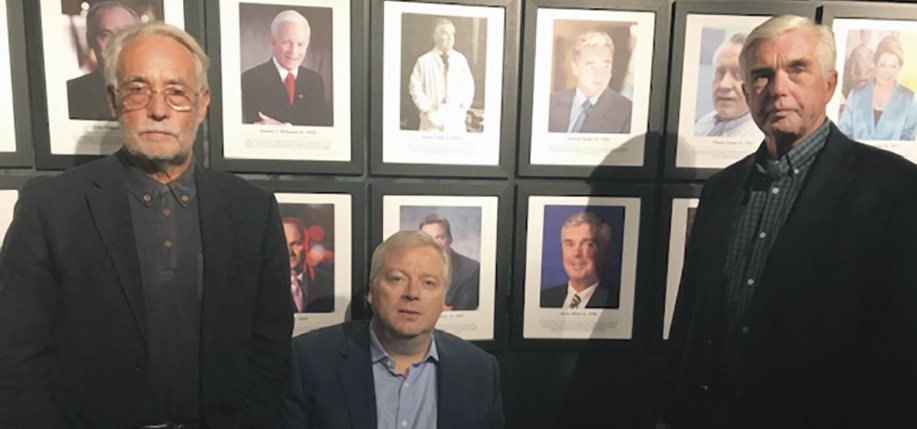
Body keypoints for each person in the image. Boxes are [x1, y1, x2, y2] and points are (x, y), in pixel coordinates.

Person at [0, 22, 293, 428]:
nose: (158, 109)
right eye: (138, 89)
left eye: (176, 91)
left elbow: (272, 346)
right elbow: (17, 355)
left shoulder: (251, 209)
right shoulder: (52, 207)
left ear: (203, 103)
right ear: (112, 100)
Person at [660, 15, 917, 429]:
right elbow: (691, 315)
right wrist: (670, 414)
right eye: (762, 75)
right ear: (747, 94)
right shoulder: (721, 190)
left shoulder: (895, 189)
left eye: (797, 69)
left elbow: (903, 346)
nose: (779, 88)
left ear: (830, 85)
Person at [279, 230, 504, 429]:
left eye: (428, 283)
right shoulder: (310, 360)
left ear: (443, 298)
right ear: (371, 291)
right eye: (397, 279)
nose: (412, 293)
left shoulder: (479, 371)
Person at [241, 10, 332, 126]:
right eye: (287, 43)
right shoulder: (251, 79)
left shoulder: (314, 80)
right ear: (273, 41)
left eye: (300, 44)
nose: (293, 51)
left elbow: (324, 125)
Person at [548, 31, 632, 134]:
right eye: (591, 66)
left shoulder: (626, 111)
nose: (599, 74)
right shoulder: (550, 103)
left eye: (605, 66)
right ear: (574, 68)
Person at [67, 1, 139, 121]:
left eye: (125, 35)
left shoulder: (157, 92)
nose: (115, 43)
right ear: (89, 40)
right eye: (106, 35)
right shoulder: (70, 95)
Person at [838, 35, 917, 141]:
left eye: (893, 66)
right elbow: (843, 134)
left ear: (899, 68)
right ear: (875, 65)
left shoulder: (910, 99)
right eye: (882, 65)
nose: (887, 72)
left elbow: (909, 141)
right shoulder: (856, 95)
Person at [540, 211, 620, 309]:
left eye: (587, 244)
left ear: (604, 252)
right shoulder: (543, 299)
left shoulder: (616, 301)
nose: (576, 253)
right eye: (569, 244)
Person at [408, 18, 475, 132]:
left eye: (452, 34)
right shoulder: (424, 61)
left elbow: (469, 86)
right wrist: (427, 108)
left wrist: (462, 108)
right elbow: (415, 88)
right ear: (435, 36)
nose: (450, 38)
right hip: (431, 124)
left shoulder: (460, 60)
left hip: (455, 122)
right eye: (445, 34)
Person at [694, 34, 761, 138]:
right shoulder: (704, 123)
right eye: (720, 72)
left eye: (738, 74)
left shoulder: (758, 137)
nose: (724, 85)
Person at [419, 213, 480, 311]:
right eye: (427, 239)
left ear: (450, 239)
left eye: (440, 237)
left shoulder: (471, 270)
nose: (434, 244)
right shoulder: (412, 268)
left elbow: (465, 313)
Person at [283, 216, 334, 313]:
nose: (289, 252)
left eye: (296, 244)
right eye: (283, 244)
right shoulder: (265, 286)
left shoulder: (328, 284)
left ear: (308, 245)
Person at [841, 29, 874, 96]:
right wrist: (863, 77)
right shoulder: (855, 52)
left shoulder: (872, 53)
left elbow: (873, 70)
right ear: (861, 36)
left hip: (868, 89)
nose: (866, 38)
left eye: (868, 35)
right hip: (856, 88)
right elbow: (850, 75)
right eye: (865, 35)